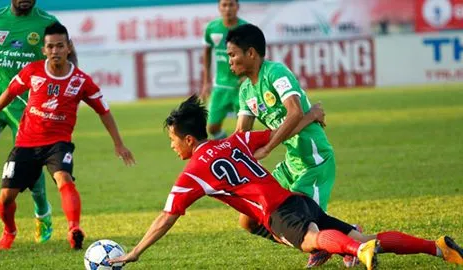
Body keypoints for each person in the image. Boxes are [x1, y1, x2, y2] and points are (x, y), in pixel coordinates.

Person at [109, 95, 463, 269]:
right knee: (362, 237)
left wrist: (136, 252)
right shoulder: (234, 141)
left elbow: (166, 217)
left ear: (187, 140)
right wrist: (311, 115)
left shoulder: (192, 173)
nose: (171, 146)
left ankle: (354, 251)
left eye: (172, 139)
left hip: (277, 211)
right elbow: (279, 132)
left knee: (316, 243)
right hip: (295, 200)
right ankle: (436, 247)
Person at [0, 22, 135, 250]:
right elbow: (8, 93)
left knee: (64, 178)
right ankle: (9, 231)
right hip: (26, 143)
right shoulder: (32, 71)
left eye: (60, 46)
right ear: (44, 49)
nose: (55, 51)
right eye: (51, 47)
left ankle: (74, 228)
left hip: (58, 144)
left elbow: (104, 111)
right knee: (5, 197)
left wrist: (119, 144)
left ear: (69, 47)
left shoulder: (81, 81)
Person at [225, 23, 347, 267]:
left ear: (250, 53)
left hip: (312, 158)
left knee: (302, 218)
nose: (229, 61)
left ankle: (345, 243)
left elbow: (294, 112)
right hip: (291, 162)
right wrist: (217, 157)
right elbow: (241, 135)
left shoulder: (276, 73)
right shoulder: (246, 91)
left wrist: (269, 147)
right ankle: (333, 239)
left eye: (232, 54)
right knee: (248, 220)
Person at [0, 0, 77, 244]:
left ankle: (42, 212)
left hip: (30, 105)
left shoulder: (47, 23)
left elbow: (69, 53)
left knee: (32, 167)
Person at [200, 0, 247, 139]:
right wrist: (206, 82)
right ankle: (226, 148)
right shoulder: (212, 28)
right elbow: (207, 52)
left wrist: (247, 75)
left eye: (231, 5)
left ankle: (244, 156)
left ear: (237, 7)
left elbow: (255, 54)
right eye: (224, 5)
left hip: (241, 87)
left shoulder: (246, 28)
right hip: (220, 86)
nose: (228, 9)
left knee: (243, 130)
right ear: (219, 8)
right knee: (212, 127)